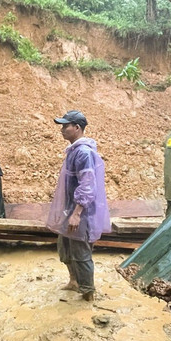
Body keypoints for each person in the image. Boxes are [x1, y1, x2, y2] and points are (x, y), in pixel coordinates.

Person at [46, 110, 111, 302]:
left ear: (77, 127)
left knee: (81, 253)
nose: (62, 130)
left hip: (81, 212)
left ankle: (88, 292)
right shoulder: (73, 150)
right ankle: (74, 281)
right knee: (65, 247)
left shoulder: (83, 153)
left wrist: (77, 213)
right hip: (70, 209)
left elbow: (87, 185)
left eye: (66, 126)